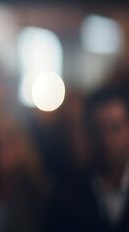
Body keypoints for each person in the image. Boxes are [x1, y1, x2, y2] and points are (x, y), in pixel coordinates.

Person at [46, 87, 129, 232]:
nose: (106, 140)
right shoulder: (65, 195)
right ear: (86, 132)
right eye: (97, 130)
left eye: (115, 128)